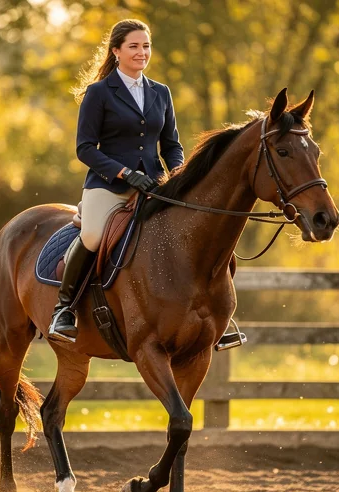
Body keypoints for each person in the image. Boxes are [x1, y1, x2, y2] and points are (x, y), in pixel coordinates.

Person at [48, 19, 245, 352]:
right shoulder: (99, 93)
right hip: (108, 185)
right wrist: (124, 173)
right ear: (116, 51)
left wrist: (180, 174)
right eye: (134, 46)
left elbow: (171, 144)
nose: (142, 52)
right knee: (93, 235)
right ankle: (64, 309)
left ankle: (215, 315)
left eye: (146, 46)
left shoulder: (160, 92)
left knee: (202, 231)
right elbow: (85, 148)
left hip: (155, 183)